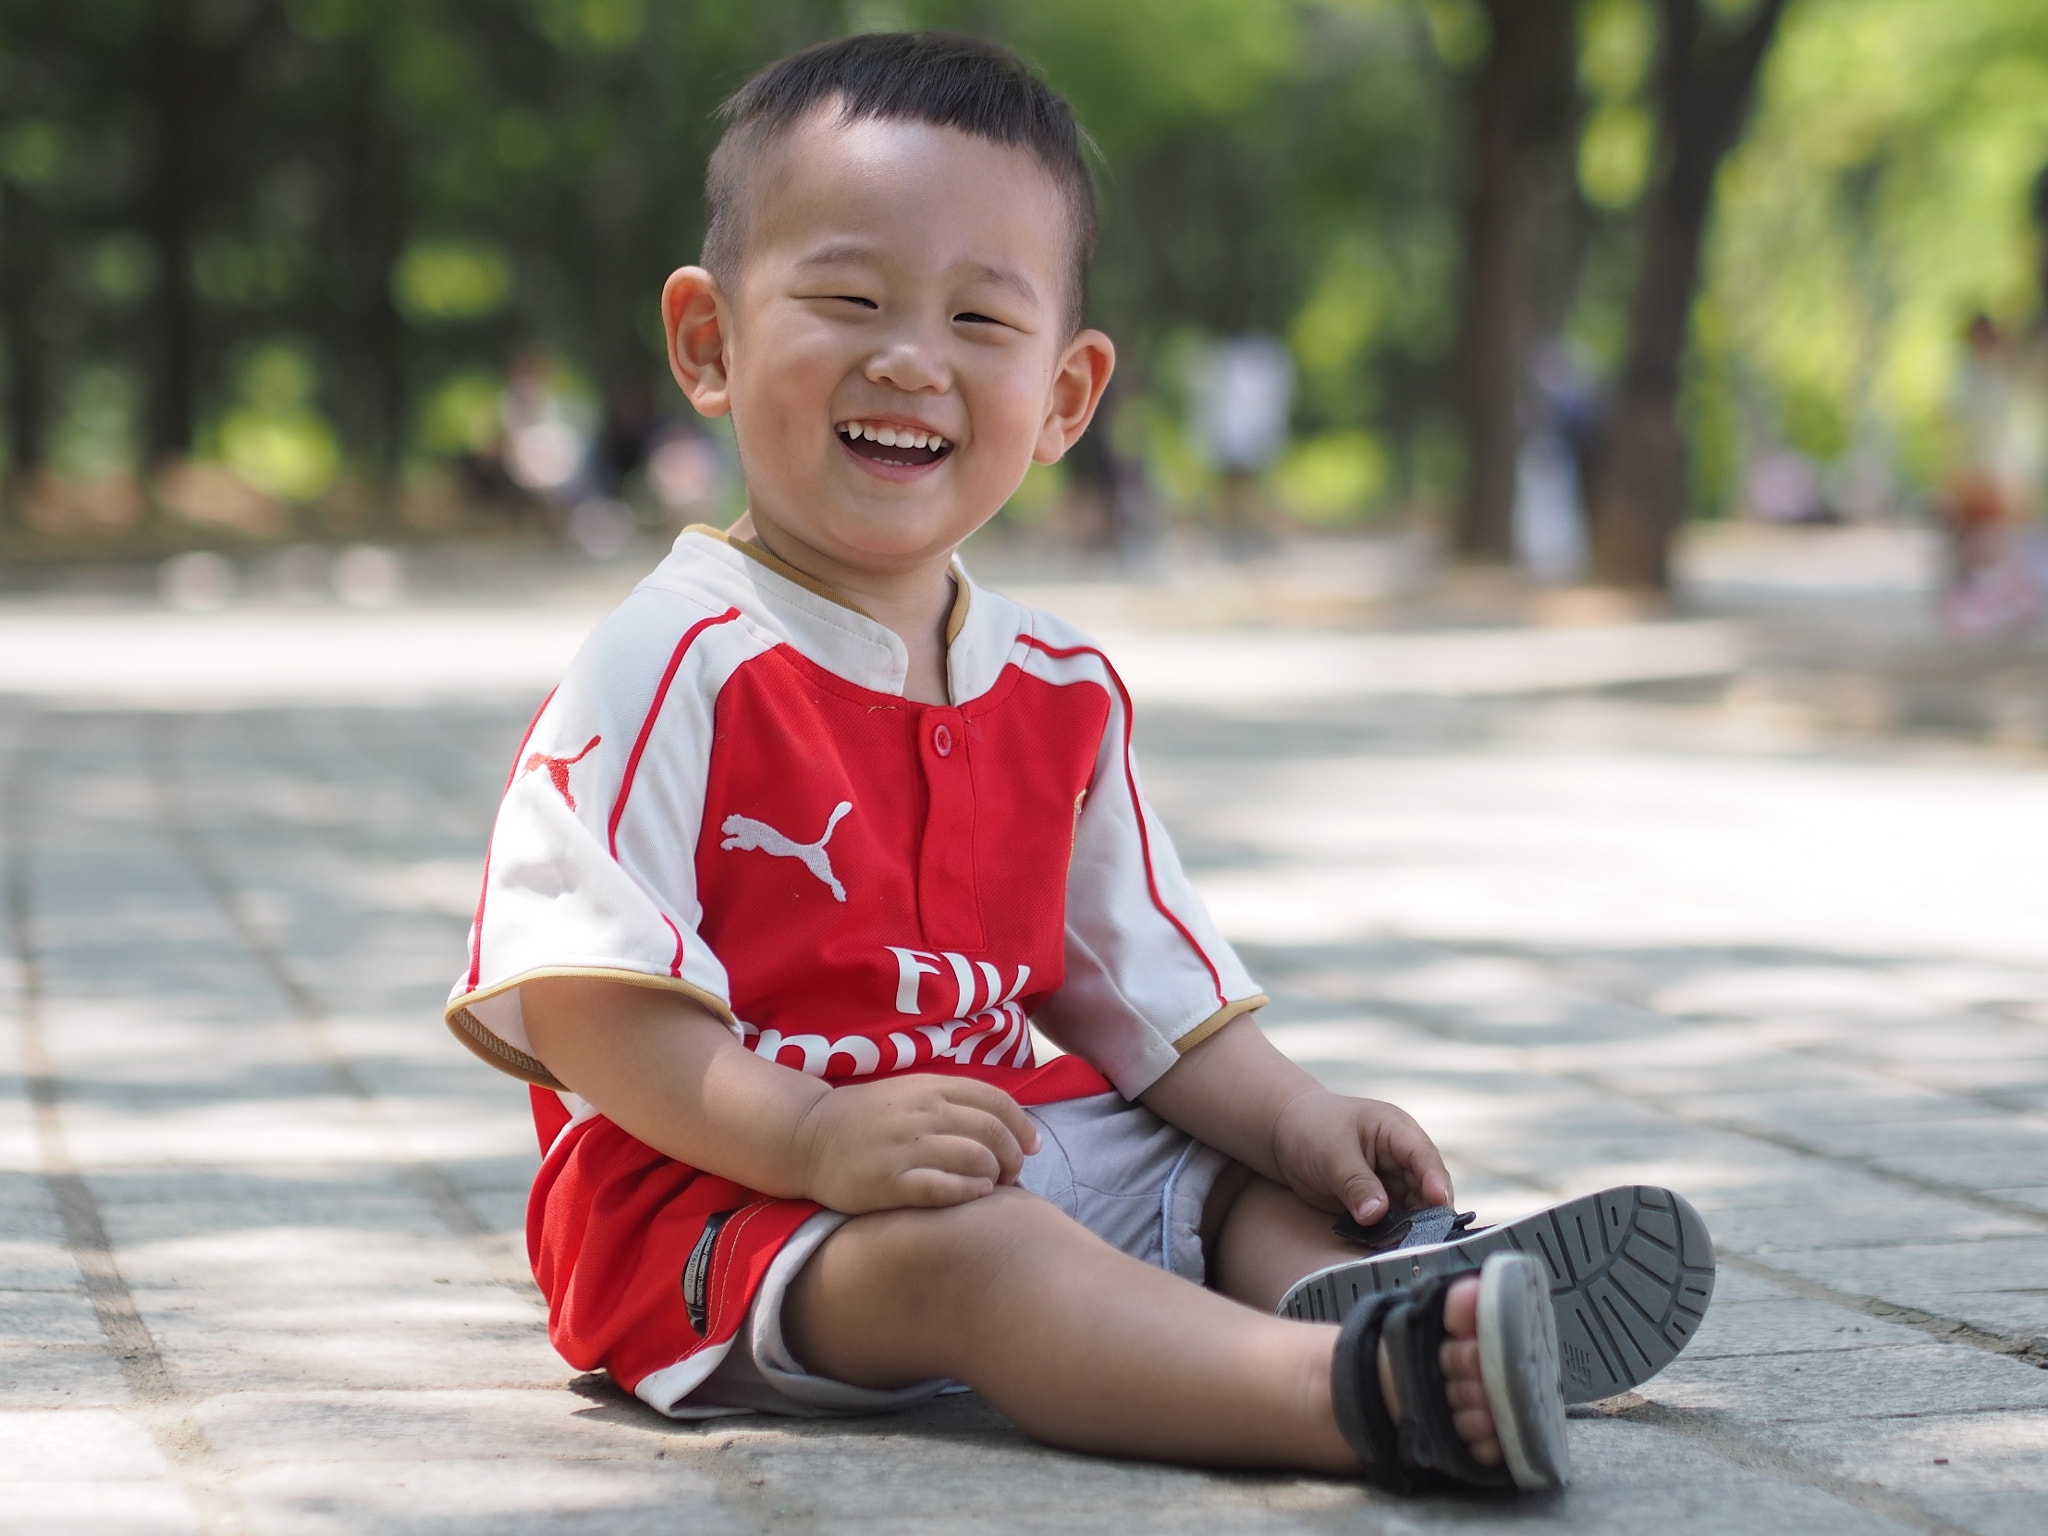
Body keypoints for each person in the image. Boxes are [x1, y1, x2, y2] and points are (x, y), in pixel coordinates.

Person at [445, 32, 1713, 1495]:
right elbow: (591, 1010)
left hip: (992, 1141)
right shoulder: (667, 662)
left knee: (1219, 1173)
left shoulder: (1056, 691)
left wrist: (1303, 1121)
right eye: (848, 297)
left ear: (1064, 396)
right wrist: (811, 1137)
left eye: (982, 320)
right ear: (710, 341)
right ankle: (1350, 1395)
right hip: (723, 1210)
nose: (909, 356)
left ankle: (1404, 1285)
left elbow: (1153, 1009)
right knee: (988, 1253)